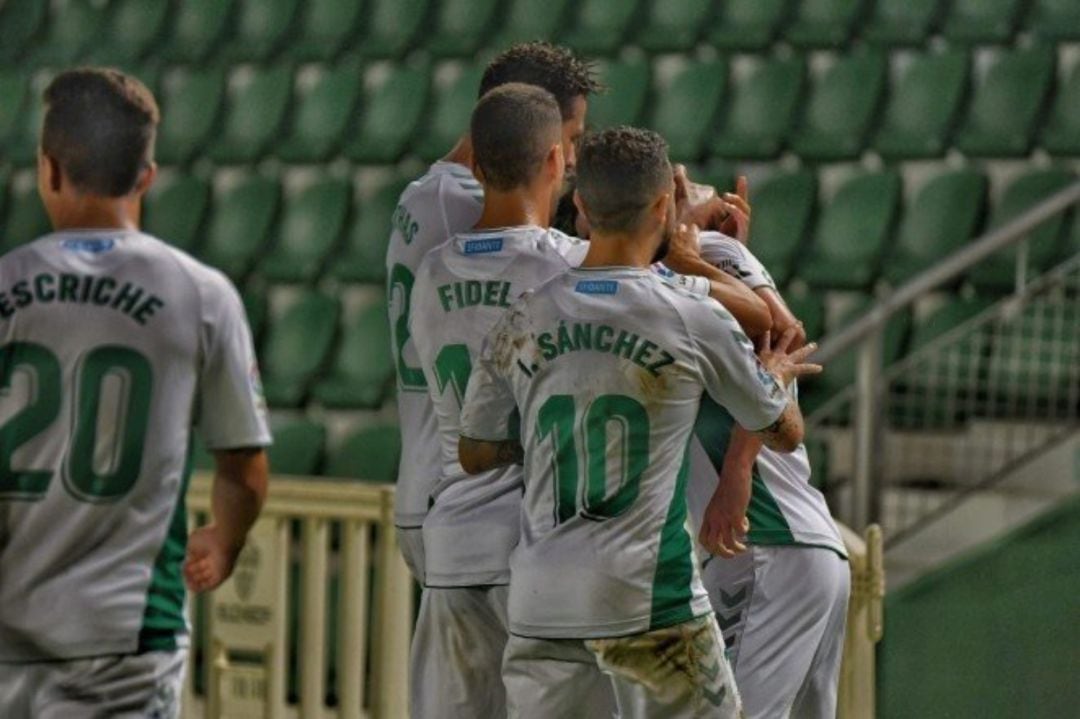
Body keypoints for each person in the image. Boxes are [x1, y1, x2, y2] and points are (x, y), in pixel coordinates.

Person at [457, 127, 821, 718]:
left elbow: (474, 453)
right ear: (662, 207)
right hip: (651, 604)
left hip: (541, 603)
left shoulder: (524, 317)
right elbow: (785, 431)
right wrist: (776, 371)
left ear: (580, 207)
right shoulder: (690, 313)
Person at [0, 68, 271, 718]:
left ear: (49, 170)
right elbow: (245, 466)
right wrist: (225, 538)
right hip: (128, 637)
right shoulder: (202, 294)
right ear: (147, 175)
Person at [386, 42, 602, 585]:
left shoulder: (425, 195)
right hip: (480, 491)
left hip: (432, 482)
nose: (572, 161)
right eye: (570, 140)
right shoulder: (470, 205)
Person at [691, 234, 850, 719]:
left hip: (767, 546)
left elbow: (786, 332)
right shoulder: (691, 272)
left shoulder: (707, 247)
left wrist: (737, 467)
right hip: (796, 548)